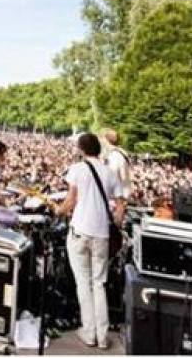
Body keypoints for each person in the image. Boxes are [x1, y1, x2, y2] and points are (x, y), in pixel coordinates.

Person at [54, 133, 126, 350]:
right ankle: (103, 337)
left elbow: (71, 199)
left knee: (83, 284)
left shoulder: (77, 169)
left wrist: (59, 211)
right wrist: (116, 222)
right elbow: (121, 204)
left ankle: (89, 332)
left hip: (80, 231)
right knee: (99, 283)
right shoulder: (110, 172)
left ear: (81, 150)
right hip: (102, 233)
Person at [103, 129, 132, 201]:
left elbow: (116, 175)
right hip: (123, 191)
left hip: (118, 195)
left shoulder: (114, 155)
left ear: (107, 141)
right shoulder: (121, 152)